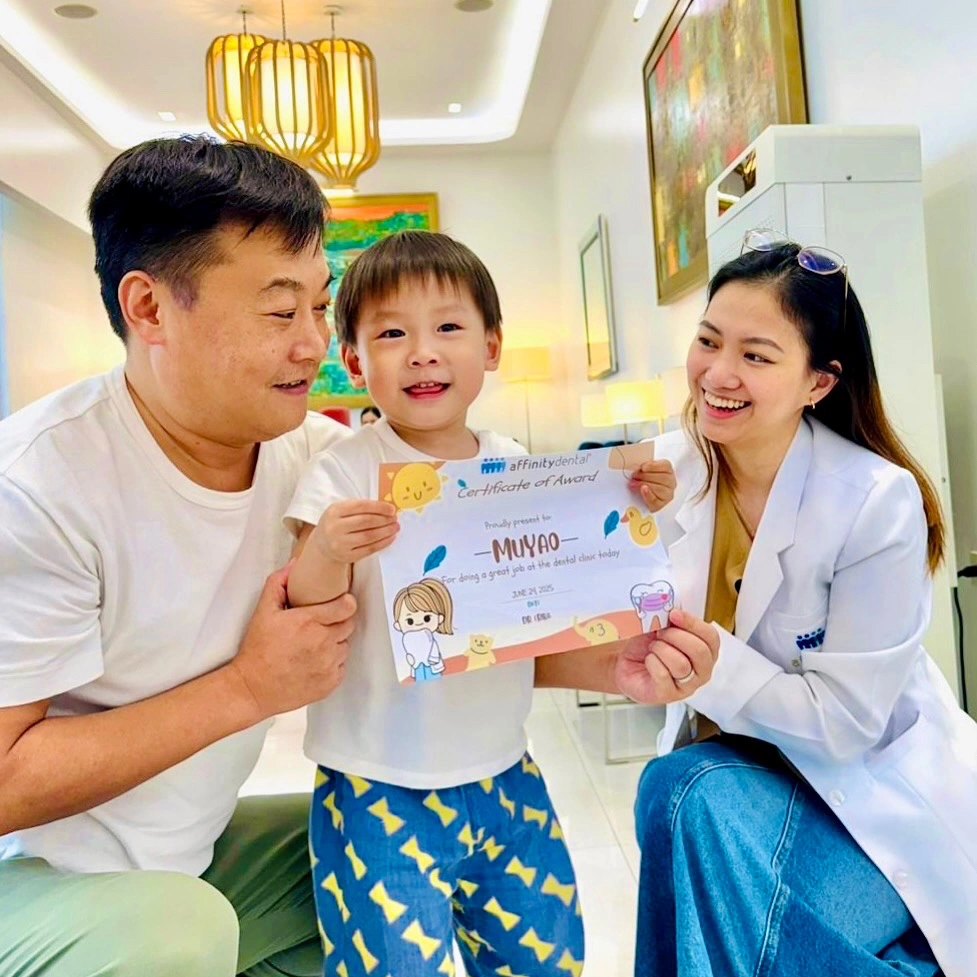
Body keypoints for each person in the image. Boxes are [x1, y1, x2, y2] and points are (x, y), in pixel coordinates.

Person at [281, 230, 697, 977]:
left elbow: (564, 584)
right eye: (390, 334)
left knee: (545, 955)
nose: (422, 351)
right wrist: (326, 551)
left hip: (506, 770)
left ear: (492, 346)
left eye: (447, 327)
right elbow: (308, 611)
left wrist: (638, 506)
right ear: (352, 363)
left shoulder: (512, 462)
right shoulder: (342, 469)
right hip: (376, 780)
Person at [0, 136, 357, 977]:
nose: (314, 344)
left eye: (320, 304)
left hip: (184, 860)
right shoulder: (39, 483)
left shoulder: (314, 457)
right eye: (279, 312)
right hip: (27, 880)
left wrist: (610, 657)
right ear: (150, 307)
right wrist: (247, 686)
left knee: (377, 856)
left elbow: (449, 607)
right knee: (174, 930)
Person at [632, 229, 976, 976]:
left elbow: (847, 725)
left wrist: (710, 667)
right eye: (707, 341)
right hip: (735, 791)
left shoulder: (873, 500)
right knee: (677, 796)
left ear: (818, 382)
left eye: (755, 356)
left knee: (686, 813)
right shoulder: (661, 474)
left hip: (868, 799)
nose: (717, 373)